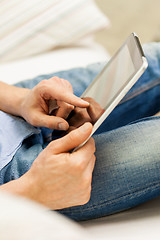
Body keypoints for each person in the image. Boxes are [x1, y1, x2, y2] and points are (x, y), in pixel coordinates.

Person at [0, 42, 160, 221]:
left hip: (9, 110)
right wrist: (31, 190)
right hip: (17, 179)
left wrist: (20, 100)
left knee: (154, 58)